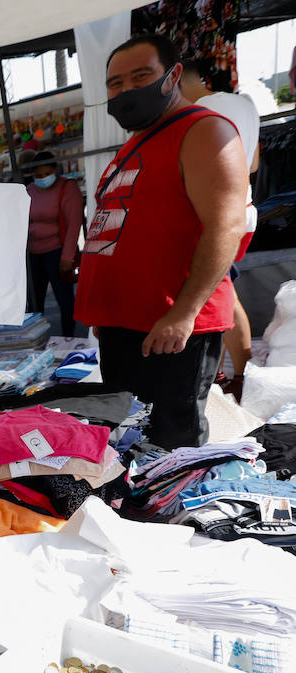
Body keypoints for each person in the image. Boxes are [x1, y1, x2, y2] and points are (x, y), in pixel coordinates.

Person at [76, 34, 248, 449]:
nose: (125, 91)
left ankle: (176, 515)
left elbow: (226, 227)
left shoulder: (204, 131)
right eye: (114, 84)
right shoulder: (135, 143)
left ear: (172, 76)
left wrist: (184, 313)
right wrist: (106, 313)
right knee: (128, 435)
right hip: (124, 324)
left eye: (140, 77)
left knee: (171, 443)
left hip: (169, 325)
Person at [180, 58, 262, 391]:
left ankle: (233, 376)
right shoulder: (246, 104)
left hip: (216, 215)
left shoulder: (199, 110)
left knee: (217, 293)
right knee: (222, 291)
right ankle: (233, 375)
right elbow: (254, 162)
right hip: (244, 208)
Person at [24, 151, 85, 337]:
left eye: (45, 174)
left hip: (58, 252)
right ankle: (37, 340)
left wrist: (67, 257)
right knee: (34, 302)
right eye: (38, 176)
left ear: (54, 170)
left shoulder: (68, 187)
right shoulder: (30, 190)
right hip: (34, 253)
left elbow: (74, 224)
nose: (42, 179)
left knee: (65, 301)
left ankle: (68, 338)